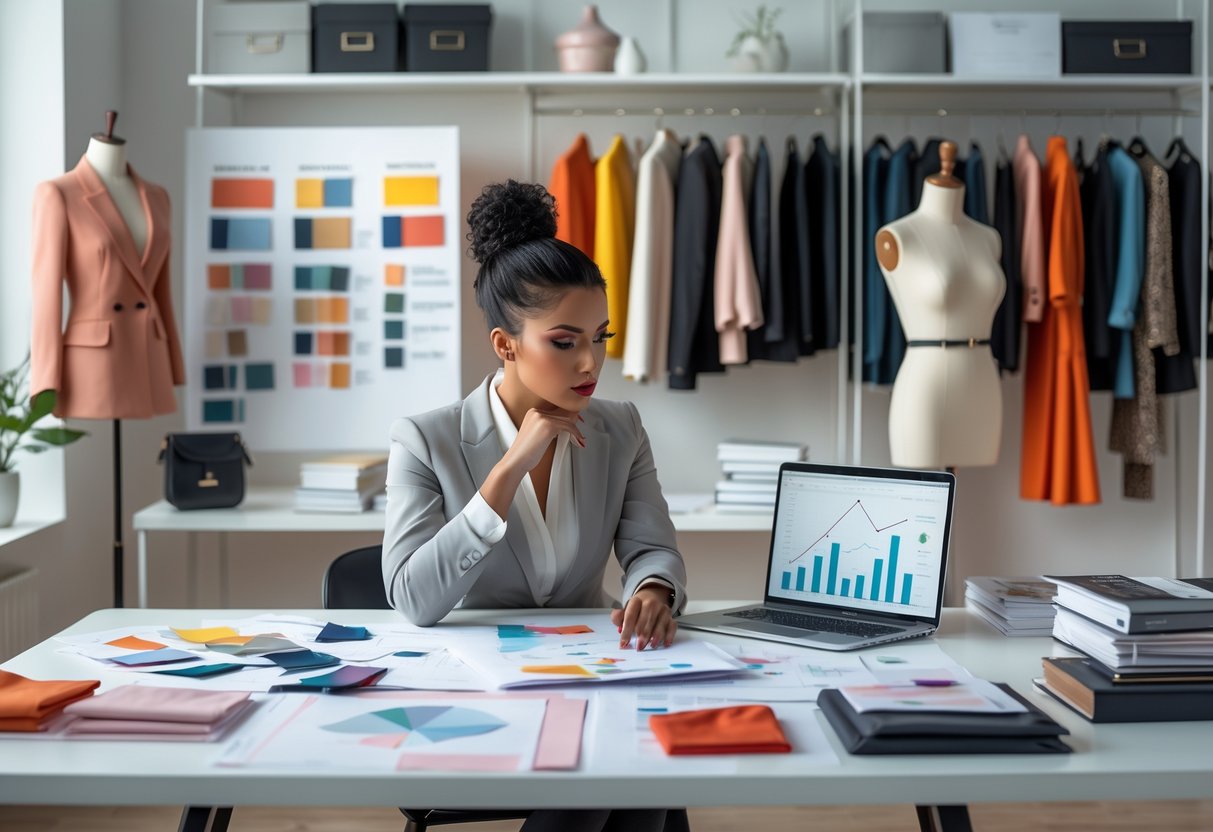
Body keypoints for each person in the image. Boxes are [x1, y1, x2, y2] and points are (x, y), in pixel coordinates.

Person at [382, 180, 690, 832]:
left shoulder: (620, 427)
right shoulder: (425, 438)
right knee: (615, 766)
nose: (590, 361)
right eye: (563, 340)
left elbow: (650, 546)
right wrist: (505, 470)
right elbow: (412, 596)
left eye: (600, 337)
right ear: (505, 345)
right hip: (479, 689)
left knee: (622, 757)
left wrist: (654, 590)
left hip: (591, 674)